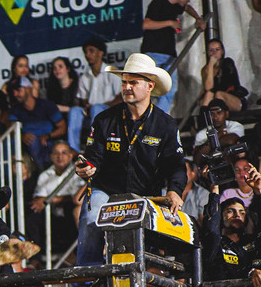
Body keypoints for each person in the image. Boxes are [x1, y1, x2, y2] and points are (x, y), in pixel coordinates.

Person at [74, 54, 186, 266]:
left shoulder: (166, 125)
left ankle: (145, 279)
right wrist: (85, 168)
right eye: (124, 82)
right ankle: (88, 279)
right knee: (91, 217)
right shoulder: (104, 119)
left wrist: (175, 190)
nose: (126, 87)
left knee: (150, 243)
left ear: (150, 86)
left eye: (133, 82)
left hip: (147, 196)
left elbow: (176, 165)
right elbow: (92, 158)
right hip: (106, 191)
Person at [141, 0, 207, 113]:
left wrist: (198, 18)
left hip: (169, 54)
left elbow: (187, 8)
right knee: (148, 89)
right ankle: (143, 117)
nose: (188, 0)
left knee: (170, 89)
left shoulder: (177, 6)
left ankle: (160, 117)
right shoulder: (158, 2)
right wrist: (170, 23)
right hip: (153, 52)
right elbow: (146, 24)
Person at [26, 142, 83, 248]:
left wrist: (57, 199)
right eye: (56, 153)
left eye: (64, 153)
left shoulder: (78, 172)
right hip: (51, 213)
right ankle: (36, 254)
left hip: (68, 210)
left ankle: (75, 252)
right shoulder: (45, 175)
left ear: (70, 156)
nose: (59, 156)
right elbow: (38, 198)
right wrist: (46, 200)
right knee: (33, 214)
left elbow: (77, 197)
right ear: (51, 156)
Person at [69, 38, 121, 152]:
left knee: (97, 108)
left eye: (91, 51)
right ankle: (73, 150)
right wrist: (87, 106)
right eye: (86, 52)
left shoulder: (112, 72)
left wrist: (103, 105)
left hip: (110, 112)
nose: (87, 55)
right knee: (75, 111)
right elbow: (83, 98)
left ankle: (96, 147)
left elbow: (121, 97)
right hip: (91, 112)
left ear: (101, 53)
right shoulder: (84, 76)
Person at [10, 77, 66, 168]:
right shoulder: (15, 110)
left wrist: (47, 136)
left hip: (49, 143)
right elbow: (12, 131)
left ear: (28, 88)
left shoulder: (46, 105)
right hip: (29, 146)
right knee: (31, 141)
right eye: (13, 91)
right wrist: (22, 136)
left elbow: (62, 128)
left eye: (18, 90)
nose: (15, 94)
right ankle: (40, 169)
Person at [191, 99, 245, 168]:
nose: (215, 118)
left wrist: (209, 143)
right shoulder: (201, 134)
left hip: (233, 165)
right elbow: (198, 158)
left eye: (219, 113)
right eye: (212, 114)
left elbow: (231, 140)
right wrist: (221, 134)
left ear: (226, 114)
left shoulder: (236, 126)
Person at [199, 39, 249, 112]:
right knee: (209, 94)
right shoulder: (206, 69)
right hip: (217, 103)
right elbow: (208, 88)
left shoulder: (227, 63)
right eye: (211, 50)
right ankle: (205, 118)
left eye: (217, 49)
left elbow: (224, 85)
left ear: (222, 51)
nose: (214, 53)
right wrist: (210, 66)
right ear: (208, 52)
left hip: (236, 101)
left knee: (219, 94)